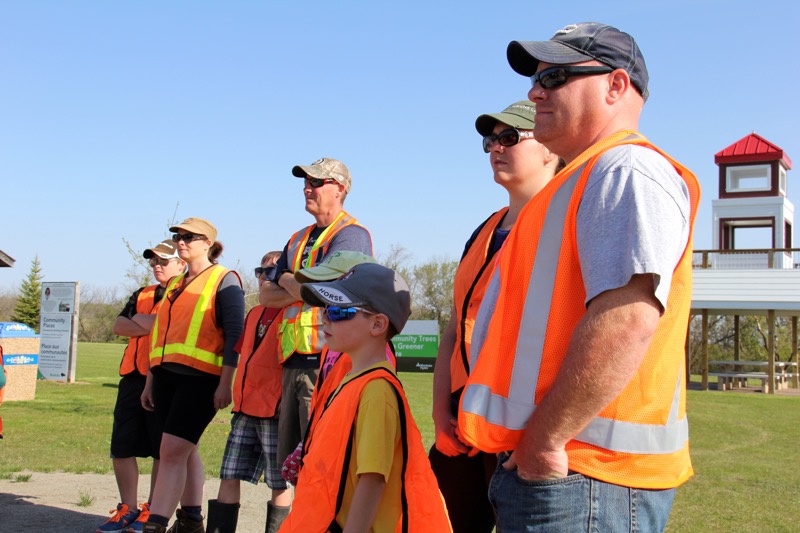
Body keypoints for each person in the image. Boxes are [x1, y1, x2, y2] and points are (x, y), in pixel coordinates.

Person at [458, 22, 700, 531]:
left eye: (556, 77)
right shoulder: (582, 179)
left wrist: (544, 441)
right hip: (566, 472)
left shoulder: (625, 169)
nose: (534, 91)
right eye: (537, 79)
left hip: (585, 479)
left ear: (615, 85)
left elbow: (627, 320)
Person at [429, 100, 562, 533]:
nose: (495, 148)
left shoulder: (564, 222)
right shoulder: (485, 229)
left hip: (521, 420)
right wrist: (440, 412)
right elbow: (454, 327)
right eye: (491, 140)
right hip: (463, 414)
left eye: (510, 138)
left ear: (548, 147)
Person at [280, 263, 451, 532]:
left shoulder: (377, 390)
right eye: (324, 310)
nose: (325, 318)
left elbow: (372, 479)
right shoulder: (352, 379)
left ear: (377, 324)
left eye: (338, 311)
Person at [259, 158, 373, 474]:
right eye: (306, 182)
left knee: (322, 461)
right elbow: (265, 295)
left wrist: (285, 277)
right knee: (291, 466)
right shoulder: (297, 237)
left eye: (317, 182)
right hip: (293, 360)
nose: (308, 188)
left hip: (327, 363)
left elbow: (326, 290)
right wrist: (297, 283)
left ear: (340, 188)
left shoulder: (352, 235)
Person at [141, 218, 245, 533]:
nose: (180, 241)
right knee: (184, 450)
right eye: (177, 236)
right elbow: (159, 336)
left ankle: (156, 523)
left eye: (188, 236)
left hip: (201, 380)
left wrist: (226, 383)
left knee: (171, 451)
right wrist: (150, 381)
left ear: (207, 243)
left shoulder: (224, 279)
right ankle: (191, 519)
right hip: (165, 378)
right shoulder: (174, 284)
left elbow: (235, 336)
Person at [95, 239, 186, 533]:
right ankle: (127, 508)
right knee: (121, 446)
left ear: (181, 263)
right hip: (132, 377)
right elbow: (119, 326)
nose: (157, 266)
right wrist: (149, 321)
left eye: (163, 261)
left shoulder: (188, 291)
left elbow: (174, 325)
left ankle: (152, 508)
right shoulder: (142, 293)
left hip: (165, 377)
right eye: (153, 262)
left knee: (162, 450)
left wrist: (144, 322)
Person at [206, 251, 291, 533]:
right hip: (244, 408)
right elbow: (241, 354)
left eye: (271, 272)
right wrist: (226, 386)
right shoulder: (254, 312)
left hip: (274, 410)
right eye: (260, 271)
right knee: (229, 474)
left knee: (279, 482)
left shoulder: (294, 313)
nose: (264, 277)